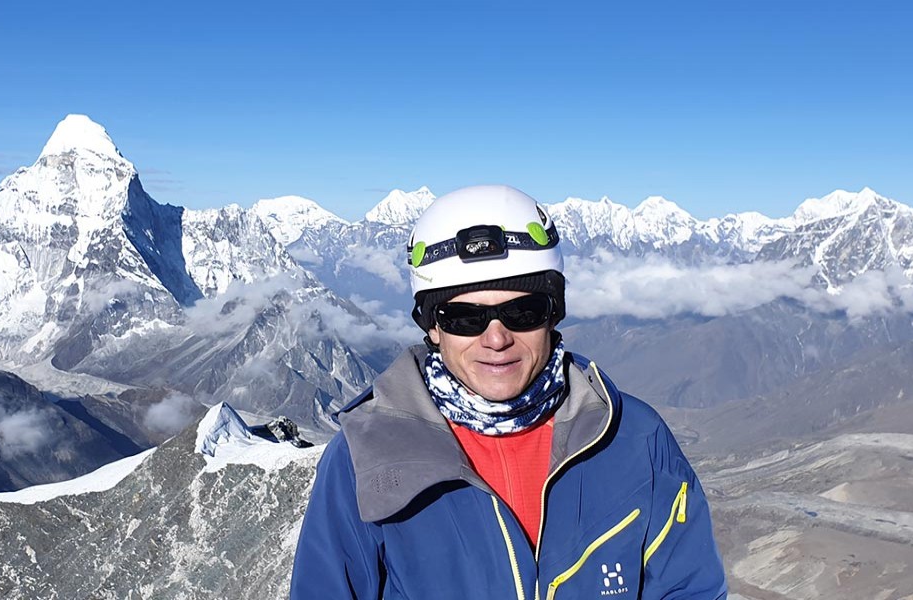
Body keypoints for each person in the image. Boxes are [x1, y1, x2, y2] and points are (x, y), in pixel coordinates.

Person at [290, 185, 728, 599]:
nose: (496, 339)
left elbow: (689, 587)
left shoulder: (635, 438)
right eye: (464, 317)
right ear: (433, 327)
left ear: (552, 314)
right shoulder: (363, 458)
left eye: (523, 311)